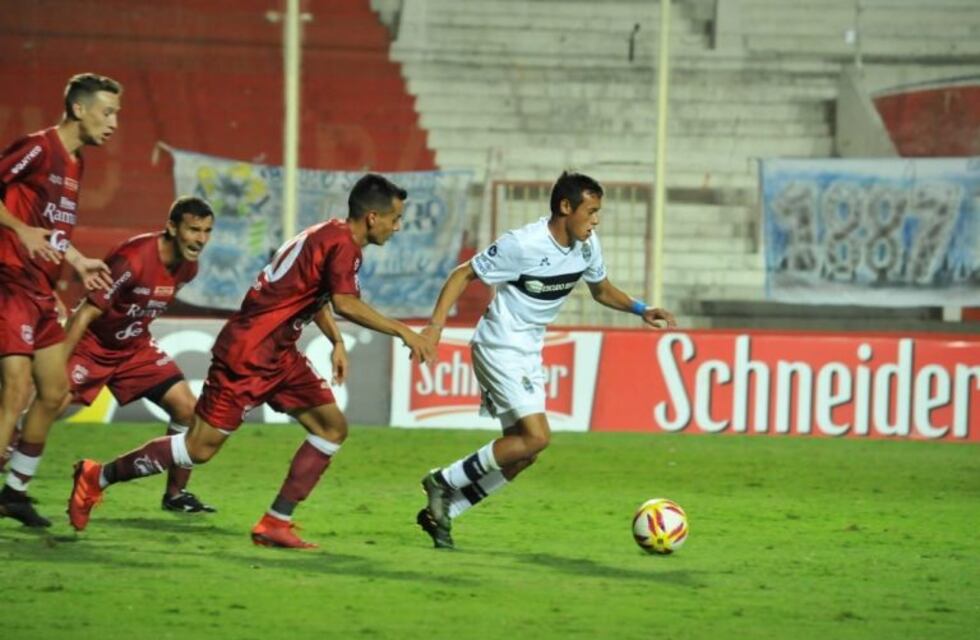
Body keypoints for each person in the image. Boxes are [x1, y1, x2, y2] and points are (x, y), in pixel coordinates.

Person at [69, 173, 436, 548]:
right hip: (248, 354)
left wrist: (336, 340)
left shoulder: (327, 234)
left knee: (331, 428)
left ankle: (276, 522)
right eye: (395, 218)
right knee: (198, 449)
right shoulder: (344, 245)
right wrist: (405, 331)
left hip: (280, 354)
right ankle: (97, 476)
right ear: (373, 217)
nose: (397, 227)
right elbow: (345, 302)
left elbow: (310, 294)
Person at [416, 171, 676, 549]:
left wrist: (642, 308)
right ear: (565, 207)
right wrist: (435, 329)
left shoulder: (588, 246)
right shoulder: (522, 244)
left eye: (599, 211)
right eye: (591, 211)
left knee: (523, 453)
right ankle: (442, 480)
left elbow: (601, 290)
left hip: (528, 350)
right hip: (499, 343)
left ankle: (444, 512)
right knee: (537, 437)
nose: (597, 220)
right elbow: (462, 274)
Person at [0, 73, 121, 527]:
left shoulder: (75, 162)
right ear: (78, 109)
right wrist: (18, 229)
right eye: (107, 112)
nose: (113, 123)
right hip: (8, 281)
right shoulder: (39, 147)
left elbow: (50, 229)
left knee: (54, 392)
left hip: (38, 289)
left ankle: (14, 492)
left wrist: (75, 259)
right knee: (15, 389)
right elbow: (25, 223)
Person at [61, 196, 216, 513]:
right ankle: (13, 483)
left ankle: (175, 495)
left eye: (206, 231)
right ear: (172, 227)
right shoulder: (133, 258)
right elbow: (87, 312)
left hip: (134, 348)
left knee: (188, 410)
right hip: (92, 345)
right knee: (46, 406)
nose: (200, 239)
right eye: (193, 230)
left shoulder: (189, 267)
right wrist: (58, 361)